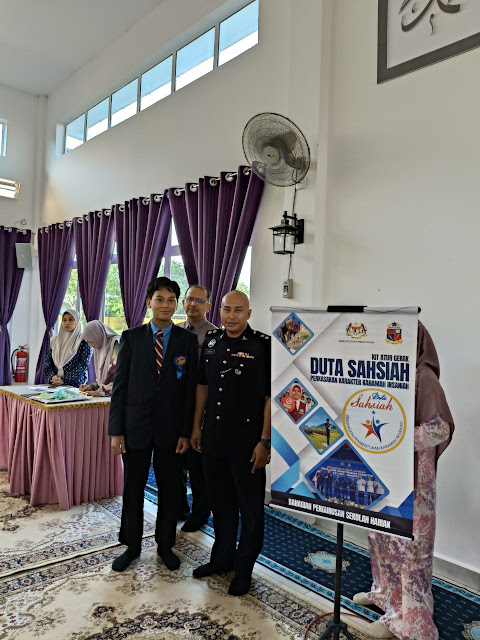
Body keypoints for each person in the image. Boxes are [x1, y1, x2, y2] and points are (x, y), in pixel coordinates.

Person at [353, 323, 454, 640]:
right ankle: (384, 595)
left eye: (400, 337)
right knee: (380, 538)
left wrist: (395, 440)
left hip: (413, 480)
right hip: (383, 473)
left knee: (410, 550)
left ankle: (410, 621)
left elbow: (440, 429)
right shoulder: (382, 371)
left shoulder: (425, 378)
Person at [108, 276, 197, 573]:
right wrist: (116, 431)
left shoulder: (187, 341)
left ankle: (165, 545)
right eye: (160, 299)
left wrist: (185, 432)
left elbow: (189, 392)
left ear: (177, 304)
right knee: (133, 488)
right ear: (149, 303)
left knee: (170, 490)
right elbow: (119, 387)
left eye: (171, 300)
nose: (165, 305)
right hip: (135, 427)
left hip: (171, 431)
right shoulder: (131, 338)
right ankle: (131, 546)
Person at [190, 290, 271, 596]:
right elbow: (202, 386)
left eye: (238, 310)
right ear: (219, 311)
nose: (232, 315)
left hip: (247, 442)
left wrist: (265, 441)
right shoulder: (212, 342)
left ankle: (244, 568)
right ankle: (222, 558)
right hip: (214, 438)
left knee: (250, 510)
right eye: (227, 309)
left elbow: (270, 398)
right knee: (220, 503)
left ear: (249, 313)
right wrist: (196, 426)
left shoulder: (262, 346)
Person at [177, 284, 217, 532]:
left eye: (199, 300)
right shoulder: (175, 331)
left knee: (197, 464)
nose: (193, 304)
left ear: (208, 306)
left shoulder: (215, 336)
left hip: (201, 407)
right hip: (176, 405)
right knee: (176, 460)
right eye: (189, 299)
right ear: (183, 303)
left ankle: (201, 511)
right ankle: (180, 506)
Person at [44, 309, 92, 387]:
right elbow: (48, 362)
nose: (67, 322)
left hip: (77, 386)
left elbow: (83, 364)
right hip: (55, 384)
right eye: (64, 320)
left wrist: (64, 380)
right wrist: (52, 377)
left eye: (71, 319)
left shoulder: (84, 340)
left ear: (77, 321)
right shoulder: (54, 340)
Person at [80, 320, 120, 396]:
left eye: (91, 341)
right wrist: (91, 387)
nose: (89, 344)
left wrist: (101, 392)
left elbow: (113, 373)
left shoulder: (116, 343)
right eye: (88, 342)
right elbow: (103, 380)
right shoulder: (101, 346)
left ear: (97, 336)